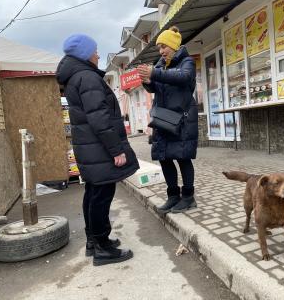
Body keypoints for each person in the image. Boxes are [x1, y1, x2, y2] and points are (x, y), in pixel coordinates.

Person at [56, 34, 140, 266]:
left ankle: (94, 241)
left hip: (91, 149)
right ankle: (102, 248)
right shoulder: (87, 77)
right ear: (84, 54)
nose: (98, 55)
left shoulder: (76, 77)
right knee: (101, 196)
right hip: (100, 150)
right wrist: (116, 150)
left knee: (93, 193)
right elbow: (100, 119)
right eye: (94, 51)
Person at [137, 26, 198, 214]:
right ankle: (173, 196)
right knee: (164, 157)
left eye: (164, 46)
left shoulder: (187, 62)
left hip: (182, 119)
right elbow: (157, 86)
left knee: (183, 158)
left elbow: (183, 77)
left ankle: (188, 197)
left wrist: (154, 74)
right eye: (159, 48)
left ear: (173, 45)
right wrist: (148, 81)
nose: (161, 51)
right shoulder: (161, 65)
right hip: (163, 119)